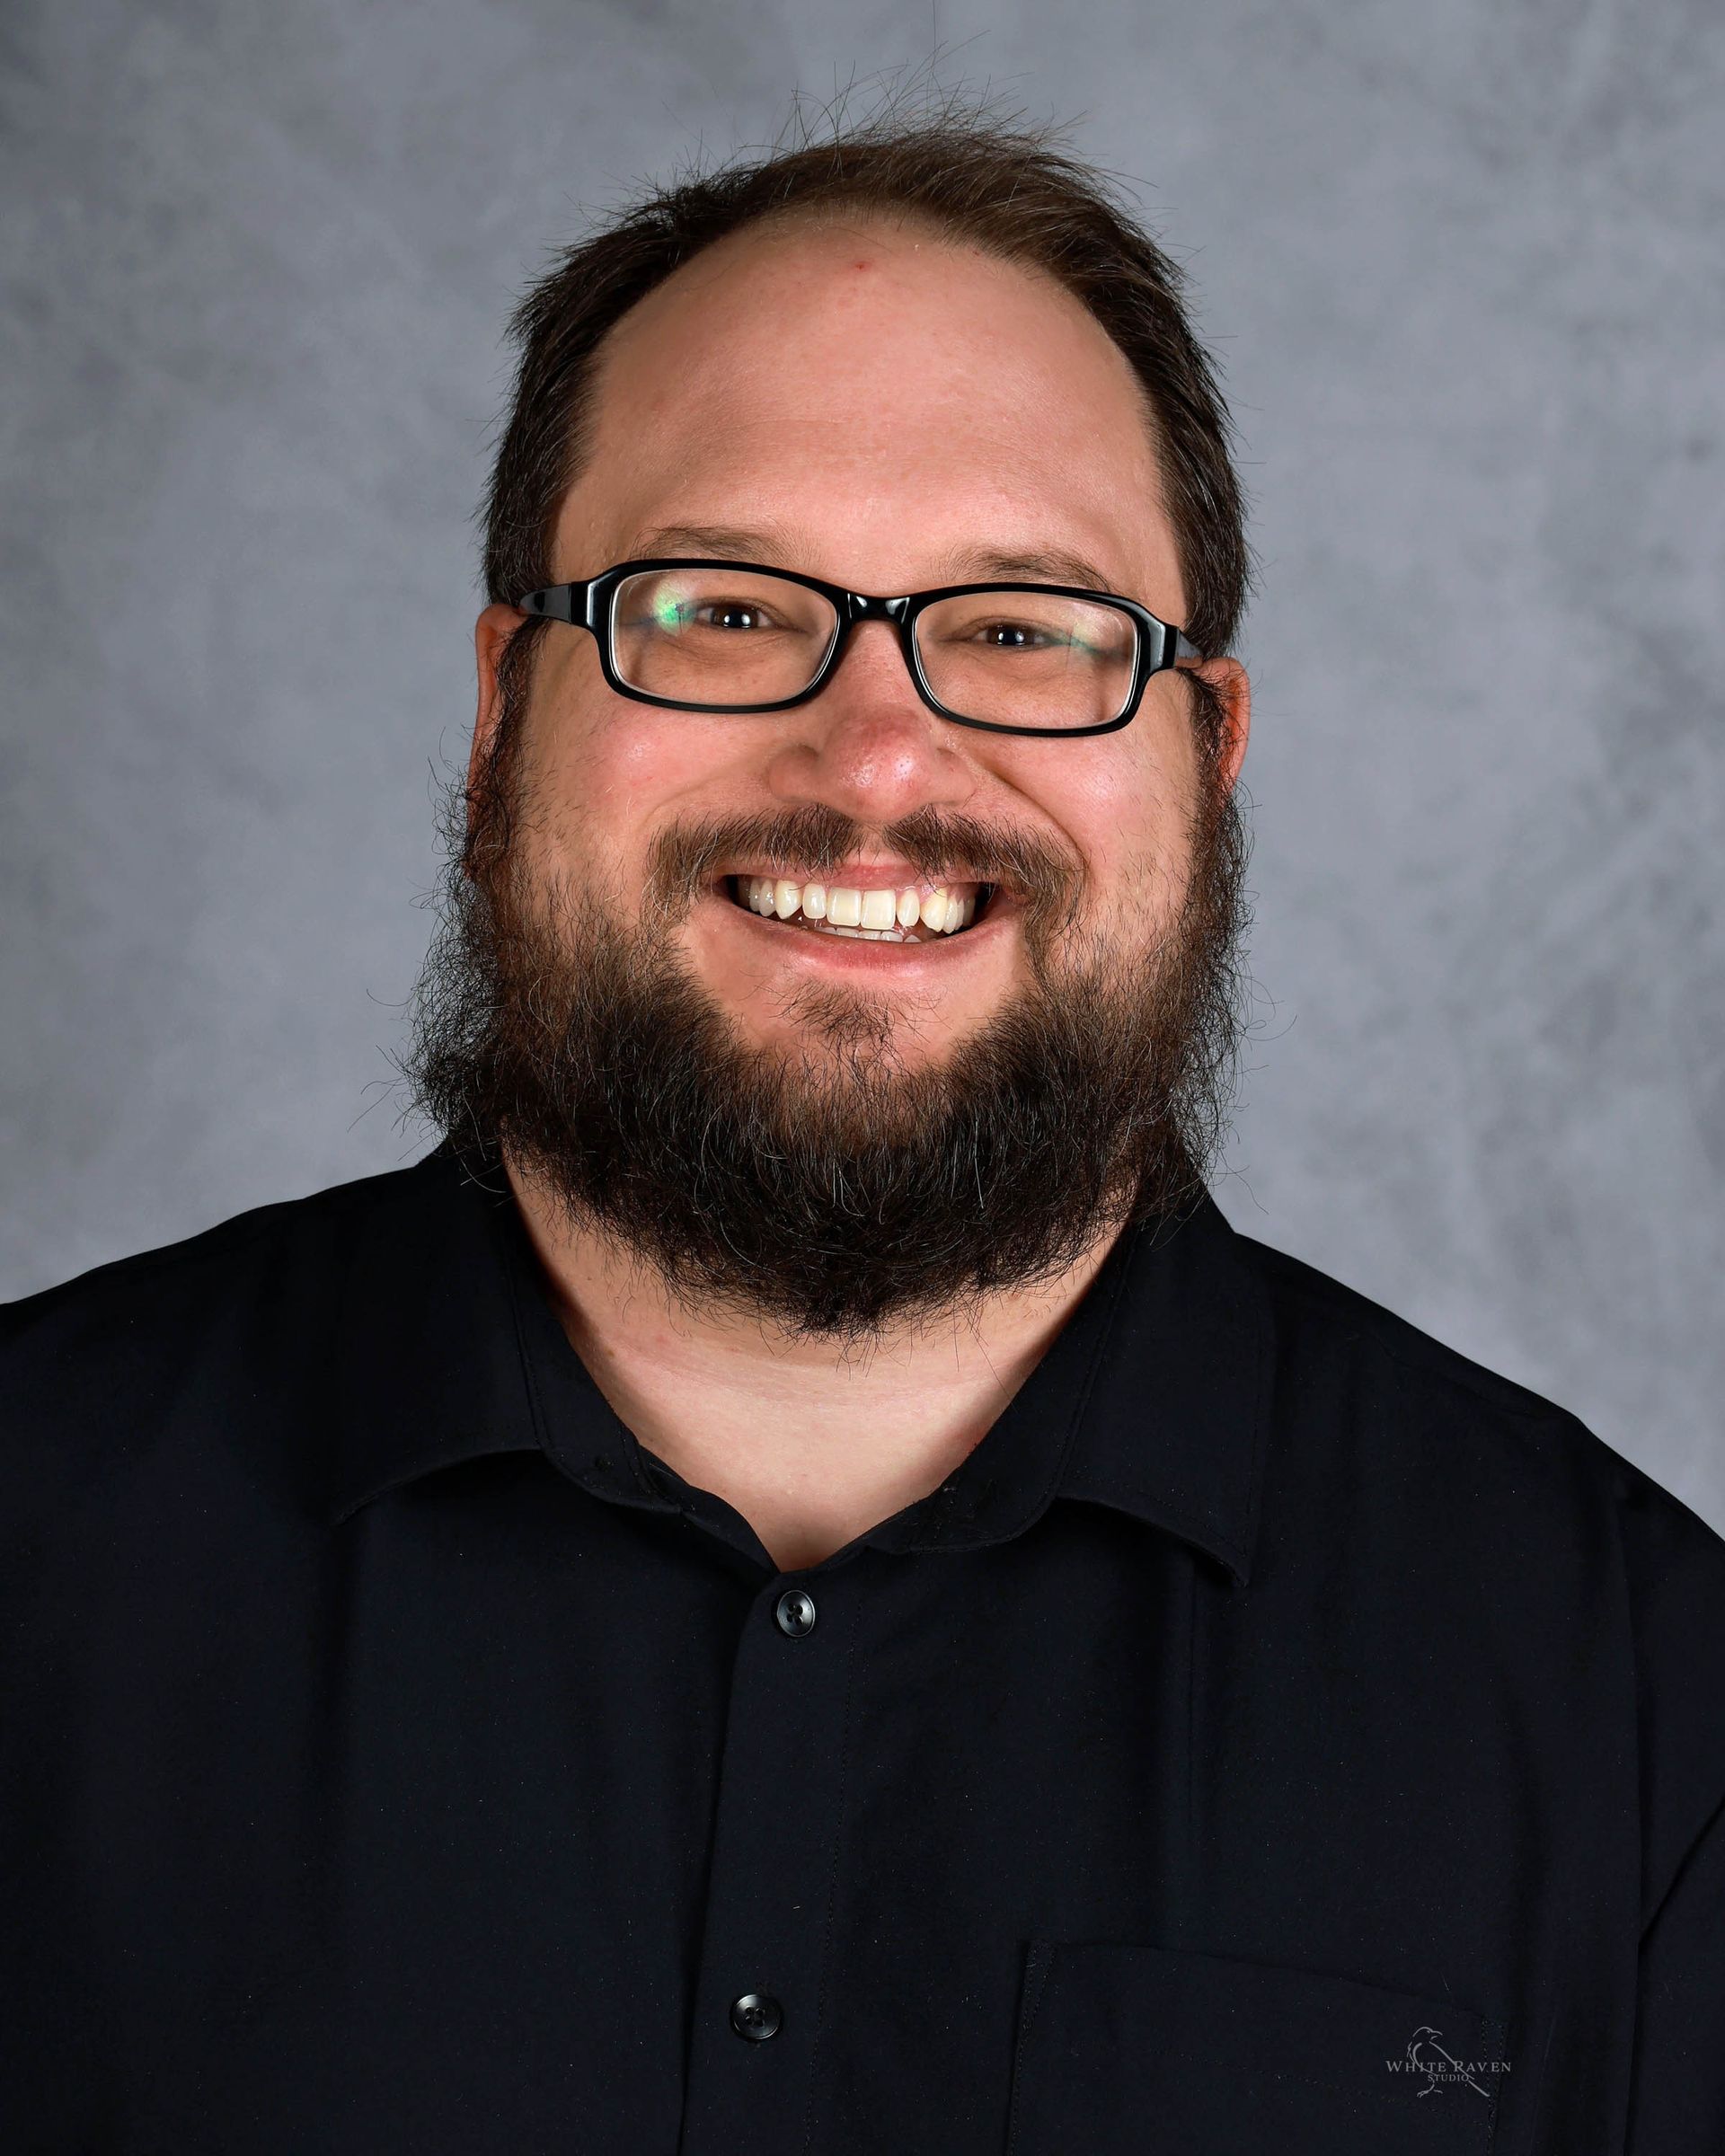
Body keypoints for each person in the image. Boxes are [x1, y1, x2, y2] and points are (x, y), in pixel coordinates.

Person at [3, 102, 1721, 2155]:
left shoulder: (1643, 1715)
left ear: (1212, 749)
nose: (884, 752)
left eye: (1023, 628)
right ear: (501, 713)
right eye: (723, 606)